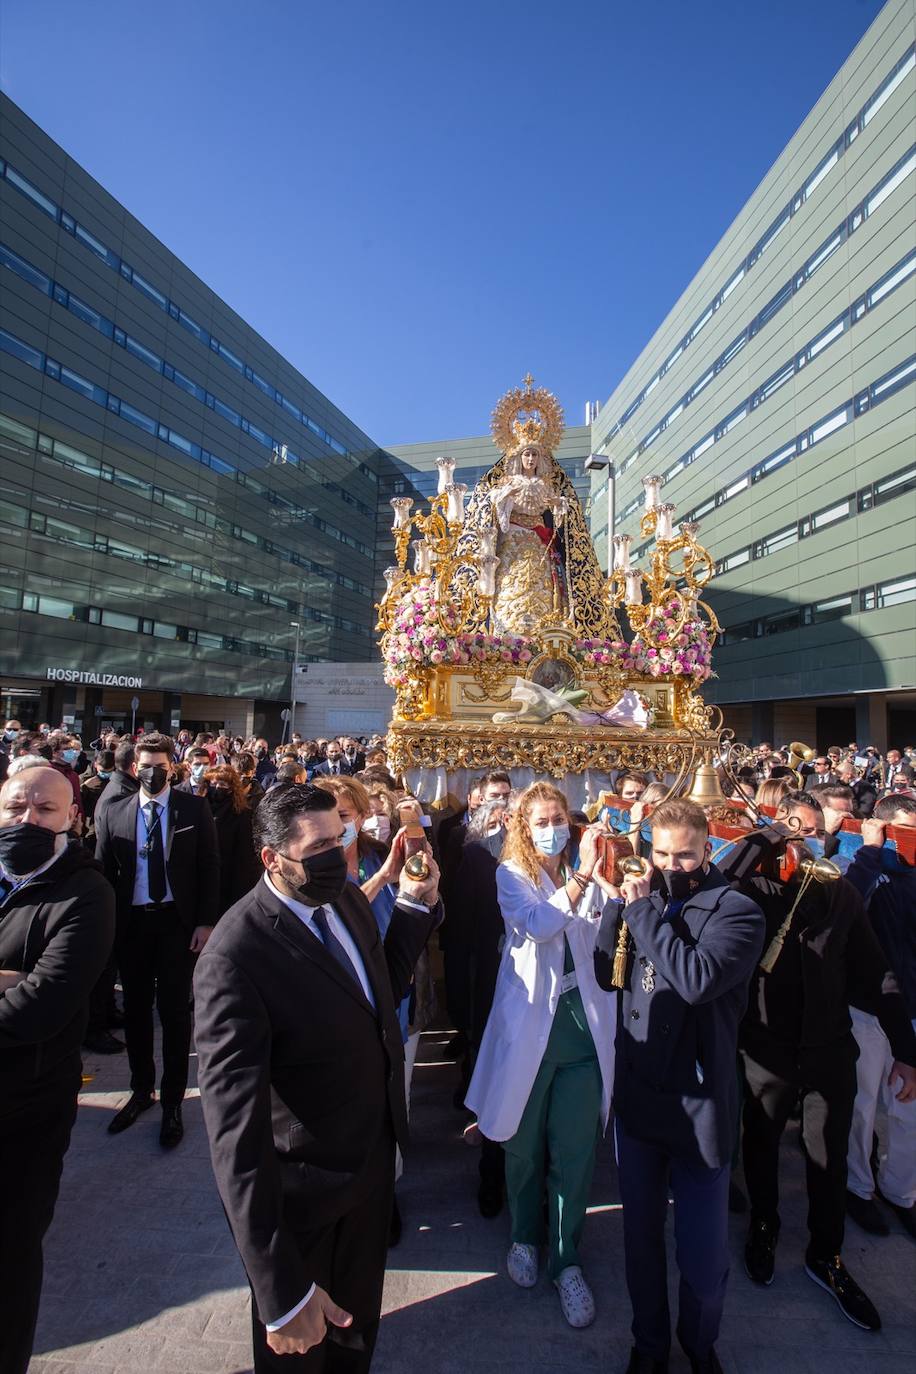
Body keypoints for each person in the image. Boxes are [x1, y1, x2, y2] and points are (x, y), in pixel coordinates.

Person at [194, 783, 441, 1372]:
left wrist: (412, 908)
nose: (339, 853)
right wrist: (279, 1292)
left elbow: (380, 998)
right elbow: (235, 1138)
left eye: (343, 836)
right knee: (301, 1356)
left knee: (356, 1338)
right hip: (302, 1202)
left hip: (369, 1174)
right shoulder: (235, 957)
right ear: (272, 859)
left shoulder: (346, 901)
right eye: (320, 846)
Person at [593, 798, 765, 1374]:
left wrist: (641, 914)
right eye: (660, 854)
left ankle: (699, 1343)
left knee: (702, 1255)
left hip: (699, 1108)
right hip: (642, 1101)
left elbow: (695, 980)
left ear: (706, 848)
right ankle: (648, 1346)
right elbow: (605, 973)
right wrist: (613, 910)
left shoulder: (736, 910)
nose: (671, 866)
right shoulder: (646, 899)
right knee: (639, 1242)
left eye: (684, 855)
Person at [733, 792, 916, 1331]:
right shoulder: (757, 890)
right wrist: (769, 835)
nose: (806, 841)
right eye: (797, 830)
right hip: (767, 1048)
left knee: (828, 1156)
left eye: (814, 832)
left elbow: (876, 974)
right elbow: (722, 879)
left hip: (830, 1049)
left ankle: (826, 1254)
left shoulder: (840, 895)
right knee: (761, 1146)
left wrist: (906, 1050)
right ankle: (764, 1227)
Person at [466, 782, 616, 1329]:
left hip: (583, 1029)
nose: (553, 826)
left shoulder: (590, 861)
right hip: (531, 1028)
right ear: (524, 827)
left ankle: (566, 1258)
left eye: (560, 817)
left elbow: (607, 924)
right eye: (542, 819)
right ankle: (524, 1237)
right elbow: (539, 926)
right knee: (524, 1149)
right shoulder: (512, 876)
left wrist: (611, 873)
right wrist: (580, 879)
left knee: (574, 1154)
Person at [0, 765, 115, 1374]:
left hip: (26, 1103)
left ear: (71, 817)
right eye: (17, 806)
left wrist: (26, 987)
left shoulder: (85, 890)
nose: (27, 819)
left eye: (44, 810)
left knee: (10, 1256)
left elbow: (45, 1003)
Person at [95, 732, 219, 1147]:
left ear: (173, 767)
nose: (152, 773)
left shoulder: (193, 808)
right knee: (134, 1010)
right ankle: (140, 1089)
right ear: (134, 768)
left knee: (174, 1012)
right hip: (132, 924)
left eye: (160, 767)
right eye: (145, 767)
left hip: (176, 924)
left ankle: (172, 1101)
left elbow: (208, 866)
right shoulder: (114, 811)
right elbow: (104, 871)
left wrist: (205, 921)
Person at [843, 795, 916, 1240]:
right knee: (863, 1103)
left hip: (912, 1006)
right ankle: (858, 1186)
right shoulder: (867, 863)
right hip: (869, 1006)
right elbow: (846, 903)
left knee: (909, 1109)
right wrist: (871, 851)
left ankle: (902, 1191)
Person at [451, 796, 511, 1216]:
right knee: (498, 1077)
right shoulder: (477, 858)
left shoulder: (565, 867)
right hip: (493, 981)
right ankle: (492, 1172)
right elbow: (463, 931)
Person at [205, 765, 262, 917]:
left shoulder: (242, 815)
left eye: (223, 784)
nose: (217, 787)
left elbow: (244, 858)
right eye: (213, 783)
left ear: (232, 788)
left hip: (228, 880)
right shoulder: (200, 809)